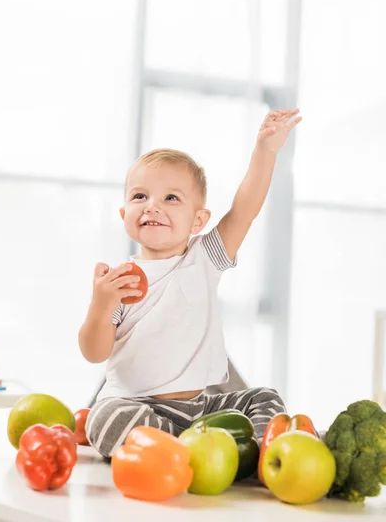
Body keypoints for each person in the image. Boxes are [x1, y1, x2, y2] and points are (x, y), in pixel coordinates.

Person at [79, 108, 302, 459]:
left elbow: (244, 209)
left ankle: (230, 454)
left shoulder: (205, 258)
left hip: (199, 411)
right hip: (135, 407)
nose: (152, 206)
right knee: (103, 419)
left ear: (198, 220)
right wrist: (100, 305)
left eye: (171, 198)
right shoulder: (118, 281)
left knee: (265, 398)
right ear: (124, 215)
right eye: (140, 197)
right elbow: (94, 352)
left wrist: (265, 152)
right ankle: (192, 453)